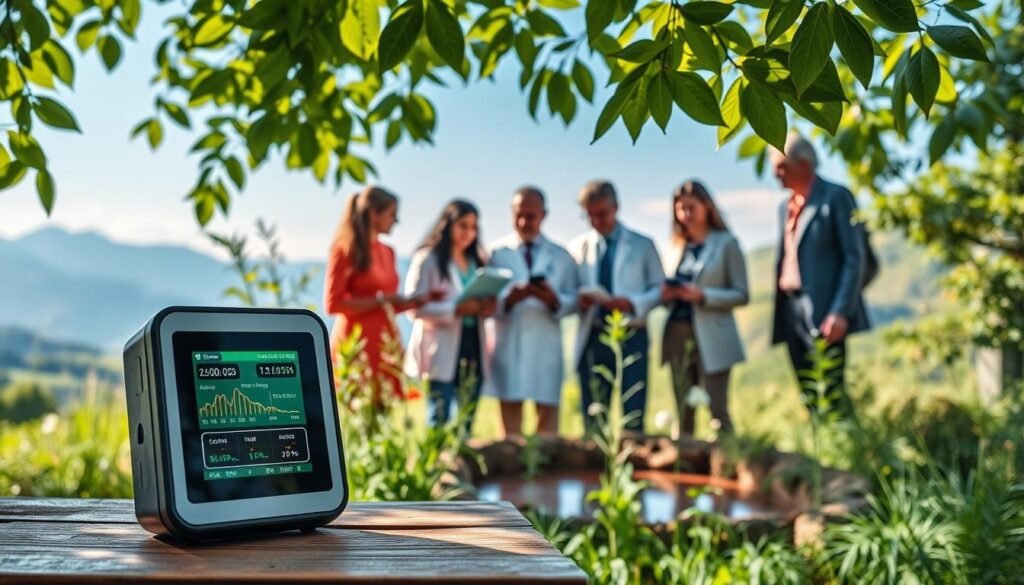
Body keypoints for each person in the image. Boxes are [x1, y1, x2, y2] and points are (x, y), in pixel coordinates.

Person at [770, 134, 870, 416]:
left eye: (781, 166)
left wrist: (840, 311)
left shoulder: (836, 197)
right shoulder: (784, 208)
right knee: (808, 389)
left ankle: (843, 449)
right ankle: (818, 449)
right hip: (791, 308)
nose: (775, 174)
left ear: (803, 164)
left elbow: (854, 257)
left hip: (825, 308)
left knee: (831, 388)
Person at [324, 186, 442, 404]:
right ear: (373, 213)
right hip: (357, 342)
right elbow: (333, 304)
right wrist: (382, 300)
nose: (395, 221)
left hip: (385, 340)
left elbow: (388, 304)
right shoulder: (344, 250)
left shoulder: (388, 251)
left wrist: (418, 300)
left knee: (385, 408)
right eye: (392, 214)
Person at [569, 180, 663, 433]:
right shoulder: (578, 247)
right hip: (593, 333)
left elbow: (659, 289)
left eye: (602, 214)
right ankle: (596, 466)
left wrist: (632, 303)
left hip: (632, 333)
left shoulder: (643, 245)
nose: (597, 221)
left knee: (633, 410)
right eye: (590, 216)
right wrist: (581, 300)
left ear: (616, 207)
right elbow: (569, 291)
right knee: (594, 411)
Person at [486, 187, 578, 438]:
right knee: (510, 429)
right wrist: (510, 298)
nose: (524, 222)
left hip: (545, 344)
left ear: (543, 215)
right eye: (519, 215)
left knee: (547, 427)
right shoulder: (496, 254)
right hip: (509, 342)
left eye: (531, 215)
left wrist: (553, 299)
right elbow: (486, 299)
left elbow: (574, 300)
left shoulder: (561, 256)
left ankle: (544, 475)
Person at [660, 180, 749, 436]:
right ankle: (684, 466)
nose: (686, 214)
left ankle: (727, 464)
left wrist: (703, 295)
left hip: (714, 335)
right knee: (682, 408)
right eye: (681, 208)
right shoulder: (674, 247)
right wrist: (668, 294)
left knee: (717, 409)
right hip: (677, 333)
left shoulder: (727, 244)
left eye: (691, 207)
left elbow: (741, 294)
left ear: (707, 207)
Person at [404, 199, 497, 430]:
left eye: (473, 227)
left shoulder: (478, 261)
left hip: (473, 341)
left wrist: (485, 307)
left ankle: (462, 460)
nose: (469, 233)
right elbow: (414, 307)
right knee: (439, 413)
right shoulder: (429, 259)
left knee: (467, 414)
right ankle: (438, 462)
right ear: (448, 225)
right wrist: (455, 309)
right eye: (463, 225)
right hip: (441, 346)